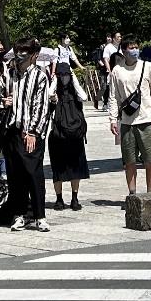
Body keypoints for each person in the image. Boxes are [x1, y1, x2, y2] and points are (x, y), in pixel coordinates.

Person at [107, 39, 151, 202]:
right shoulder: (117, 70)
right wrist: (112, 119)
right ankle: (132, 193)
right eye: (131, 48)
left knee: (150, 160)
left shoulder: (147, 67)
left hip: (146, 119)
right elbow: (113, 97)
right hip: (127, 121)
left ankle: (150, 194)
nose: (135, 51)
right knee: (129, 161)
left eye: (137, 47)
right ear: (123, 51)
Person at [7, 41, 54, 231]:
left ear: (34, 55)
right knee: (16, 174)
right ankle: (20, 213)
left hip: (32, 130)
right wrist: (5, 100)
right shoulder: (11, 75)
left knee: (33, 172)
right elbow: (3, 95)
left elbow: (40, 106)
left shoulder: (40, 77)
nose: (20, 56)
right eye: (18, 51)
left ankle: (39, 215)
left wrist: (33, 131)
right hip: (14, 129)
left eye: (24, 52)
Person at [48, 59, 89, 209]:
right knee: (58, 168)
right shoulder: (54, 95)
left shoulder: (75, 92)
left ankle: (74, 198)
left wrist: (74, 78)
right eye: (61, 74)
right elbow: (49, 94)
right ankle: (59, 198)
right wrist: (54, 80)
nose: (64, 77)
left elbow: (84, 97)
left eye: (66, 74)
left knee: (76, 167)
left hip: (75, 135)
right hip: (58, 135)